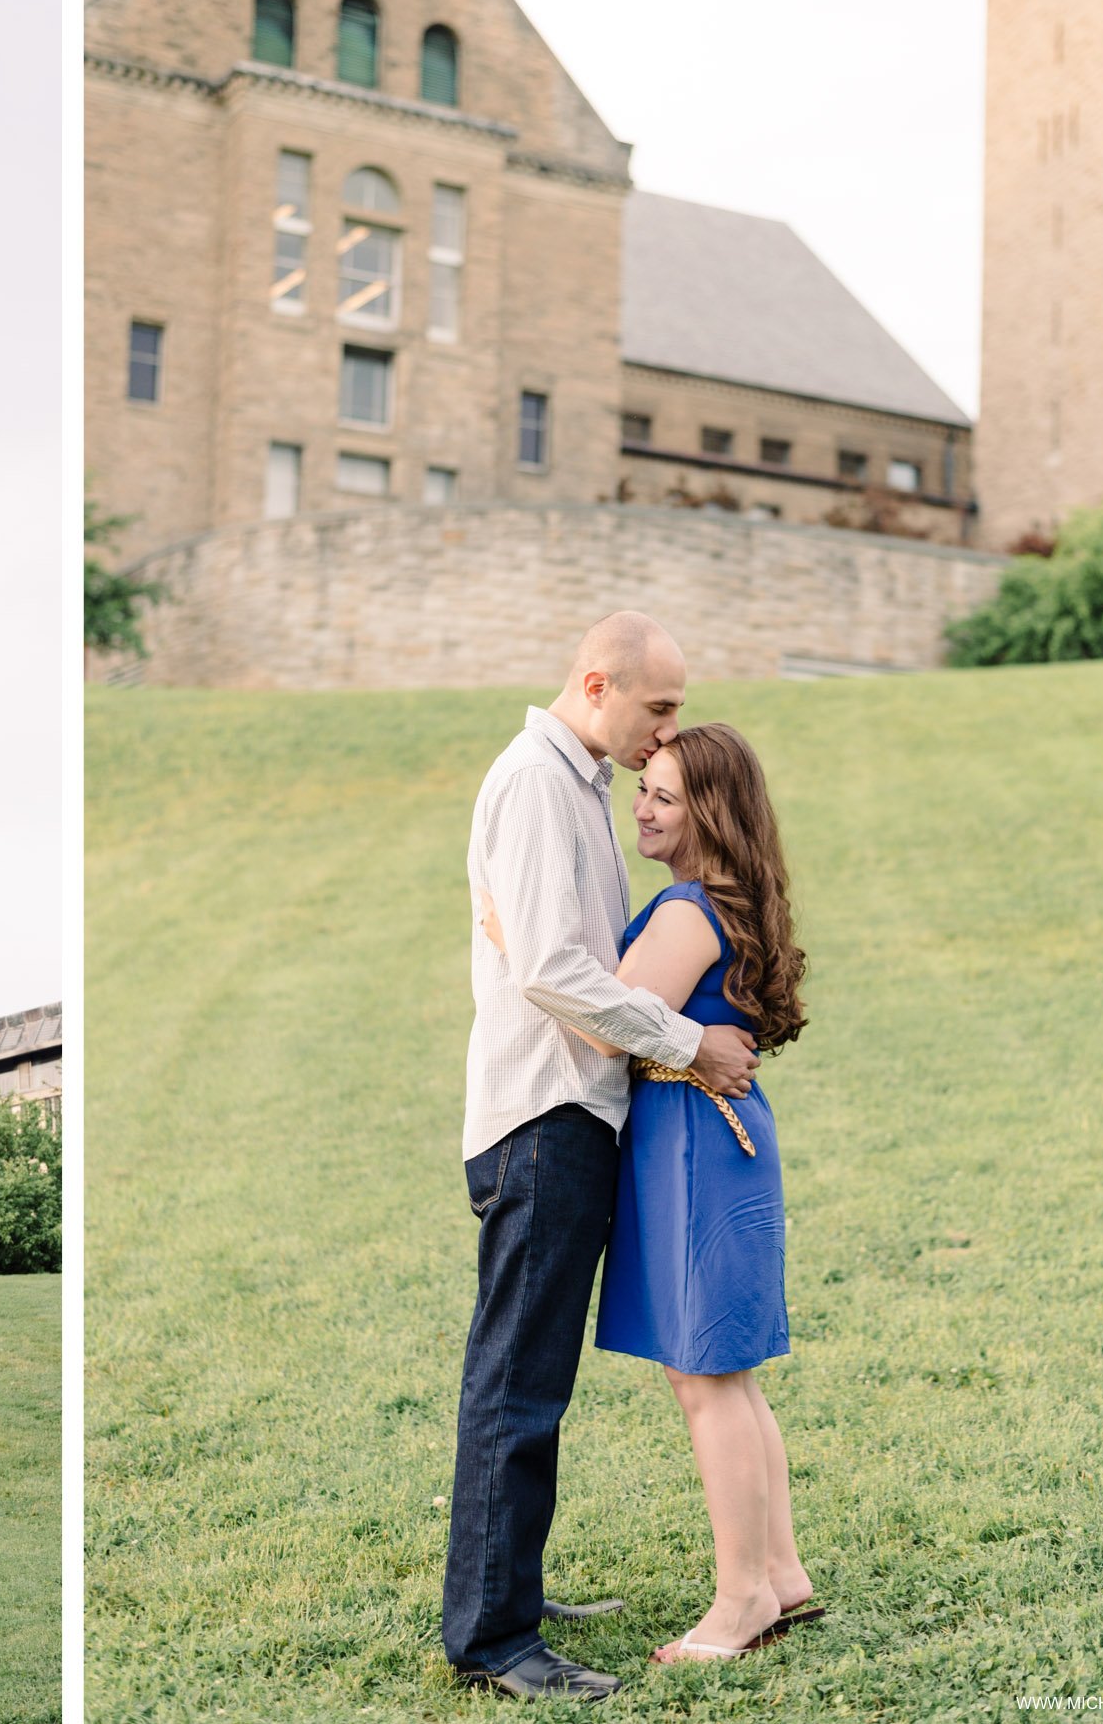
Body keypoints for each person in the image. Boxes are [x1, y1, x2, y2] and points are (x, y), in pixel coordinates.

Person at [442, 612, 762, 1704]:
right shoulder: (537, 781)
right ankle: (494, 1638)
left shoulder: (570, 785)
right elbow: (553, 972)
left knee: (537, 1380)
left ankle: (511, 1587)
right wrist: (691, 1046)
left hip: (572, 1114)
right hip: (544, 1117)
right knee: (518, 1383)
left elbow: (548, 950)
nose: (664, 732)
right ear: (597, 683)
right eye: (658, 708)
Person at [489, 723, 817, 1664]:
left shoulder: (685, 910)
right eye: (645, 790)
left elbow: (608, 1024)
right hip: (720, 1138)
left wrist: (515, 938)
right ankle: (782, 1573)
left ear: (708, 813)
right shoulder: (728, 899)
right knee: (729, 1376)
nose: (643, 807)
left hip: (690, 1146)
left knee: (705, 1379)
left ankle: (742, 1597)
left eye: (665, 797)